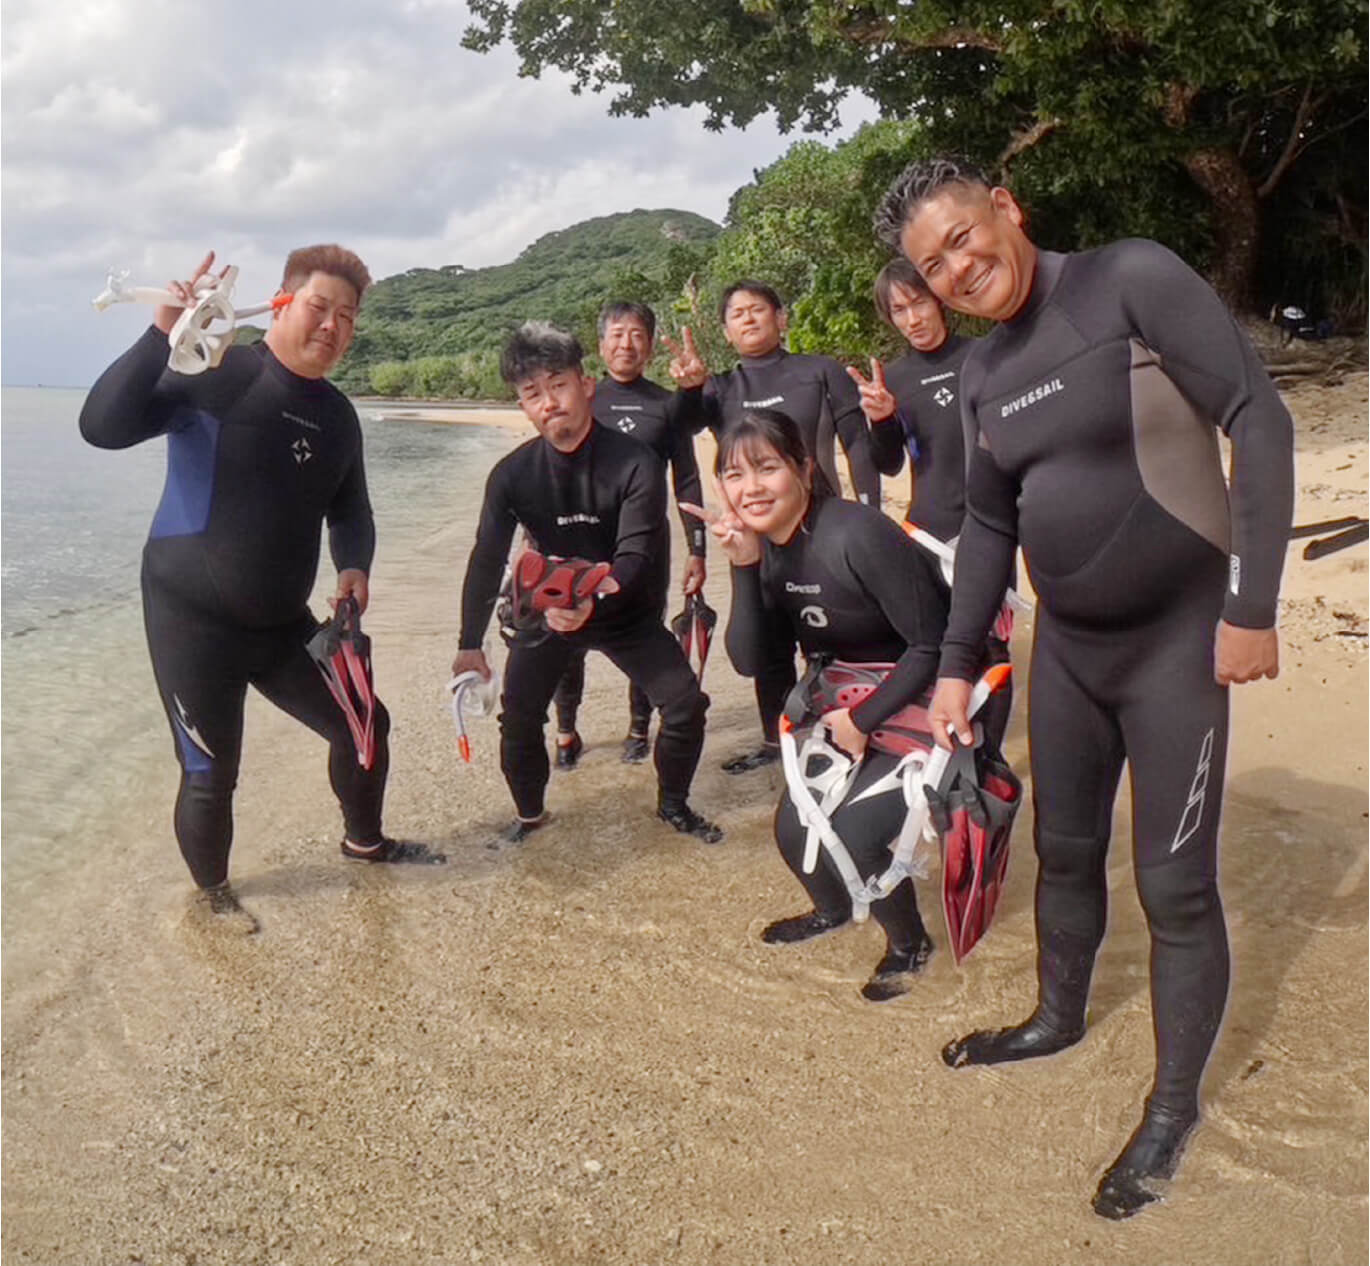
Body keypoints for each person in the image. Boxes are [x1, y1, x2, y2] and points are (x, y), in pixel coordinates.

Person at [873, 157, 1294, 1219]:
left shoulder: (1128, 280)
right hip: (1065, 649)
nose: (958, 270)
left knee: (1173, 886)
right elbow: (987, 527)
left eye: (963, 238)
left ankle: (1171, 1107)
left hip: (1177, 643)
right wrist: (956, 666)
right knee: (1062, 851)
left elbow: (1255, 414)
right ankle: (1056, 1018)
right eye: (933, 266)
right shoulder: (981, 371)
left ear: (1007, 208)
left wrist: (1250, 606)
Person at [79, 246, 440, 931]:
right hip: (191, 618)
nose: (332, 325)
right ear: (280, 303)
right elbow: (101, 428)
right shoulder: (215, 370)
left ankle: (365, 843)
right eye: (319, 307)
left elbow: (351, 509)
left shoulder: (338, 416)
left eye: (347, 316)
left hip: (281, 623)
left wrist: (355, 567)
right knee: (210, 770)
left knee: (364, 725)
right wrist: (162, 331)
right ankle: (212, 895)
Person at [698, 408, 947, 1000]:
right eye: (734, 475)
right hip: (848, 700)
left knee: (857, 831)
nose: (750, 488)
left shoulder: (856, 534)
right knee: (792, 826)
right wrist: (744, 567)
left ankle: (910, 945)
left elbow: (934, 645)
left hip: (925, 695)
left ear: (805, 469)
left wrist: (863, 720)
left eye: (766, 468)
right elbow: (752, 660)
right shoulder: (766, 548)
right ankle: (833, 910)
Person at [452, 321, 721, 845]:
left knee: (685, 705)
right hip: (550, 610)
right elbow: (486, 559)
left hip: (623, 607)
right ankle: (531, 817)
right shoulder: (511, 475)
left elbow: (636, 552)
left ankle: (673, 806)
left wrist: (591, 600)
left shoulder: (635, 462)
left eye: (559, 385)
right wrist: (468, 644)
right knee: (519, 717)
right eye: (533, 393)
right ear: (522, 405)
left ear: (586, 385)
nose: (549, 402)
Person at [676, 280, 882, 774]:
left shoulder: (820, 371)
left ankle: (848, 729)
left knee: (830, 637)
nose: (748, 319)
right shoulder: (718, 389)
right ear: (726, 331)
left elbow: (857, 443)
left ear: (781, 318)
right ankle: (778, 743)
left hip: (822, 531)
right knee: (768, 645)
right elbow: (682, 428)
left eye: (758, 309)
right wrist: (689, 390)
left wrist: (869, 512)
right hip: (757, 536)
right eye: (737, 314)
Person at [849, 257, 1012, 751]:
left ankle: (989, 757)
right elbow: (888, 464)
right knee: (934, 645)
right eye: (898, 310)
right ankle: (940, 746)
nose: (912, 318)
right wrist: (881, 419)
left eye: (918, 302)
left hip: (990, 528)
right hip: (926, 533)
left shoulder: (985, 356)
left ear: (939, 299)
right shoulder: (893, 380)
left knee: (991, 647)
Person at [550, 301, 707, 769]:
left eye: (637, 334)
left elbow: (687, 479)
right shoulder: (583, 401)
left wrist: (697, 549)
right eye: (617, 334)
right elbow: (552, 470)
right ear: (601, 346)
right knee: (567, 637)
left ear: (650, 346)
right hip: (580, 541)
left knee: (645, 633)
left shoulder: (665, 405)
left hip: (647, 545)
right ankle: (565, 731)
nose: (627, 344)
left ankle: (639, 728)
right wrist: (536, 538)